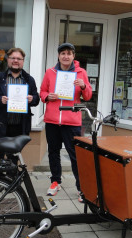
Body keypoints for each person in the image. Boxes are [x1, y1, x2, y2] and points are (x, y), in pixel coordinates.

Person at [40, 43, 92, 202]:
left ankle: (81, 187)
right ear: (58, 56)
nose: (66, 56)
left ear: (73, 56)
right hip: (53, 120)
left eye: (69, 53)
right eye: (63, 53)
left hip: (72, 120)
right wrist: (48, 96)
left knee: (75, 155)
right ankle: (55, 181)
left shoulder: (81, 72)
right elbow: (42, 91)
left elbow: (88, 96)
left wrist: (83, 86)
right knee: (53, 152)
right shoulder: (50, 72)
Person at [0, 48, 39, 162]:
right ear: (8, 60)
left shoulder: (29, 80)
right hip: (0, 126)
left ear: (23, 61)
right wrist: (0, 99)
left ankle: (12, 179)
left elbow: (36, 98)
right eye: (13, 58)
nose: (15, 60)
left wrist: (32, 98)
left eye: (19, 58)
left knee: (14, 159)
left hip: (19, 127)